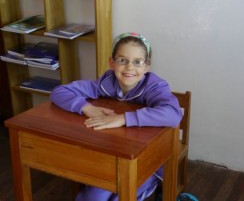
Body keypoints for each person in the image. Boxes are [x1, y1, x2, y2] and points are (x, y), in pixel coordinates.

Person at [50, 32, 182, 201]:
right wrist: (86, 107)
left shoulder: (154, 87)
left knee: (120, 196)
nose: (129, 67)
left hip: (149, 160)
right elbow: (59, 92)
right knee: (94, 197)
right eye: (122, 60)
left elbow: (173, 114)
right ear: (111, 63)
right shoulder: (105, 84)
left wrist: (122, 118)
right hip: (111, 156)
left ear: (147, 66)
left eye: (137, 62)